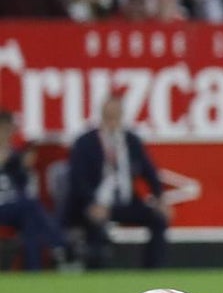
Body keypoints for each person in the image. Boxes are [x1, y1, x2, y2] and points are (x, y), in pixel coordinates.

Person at [62, 93, 170, 269]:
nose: (112, 120)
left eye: (116, 115)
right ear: (102, 115)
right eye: (108, 115)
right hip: (96, 202)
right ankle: (95, 268)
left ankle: (153, 270)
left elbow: (149, 172)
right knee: (95, 221)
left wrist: (160, 197)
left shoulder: (131, 141)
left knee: (158, 218)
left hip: (125, 201)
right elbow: (77, 180)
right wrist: (91, 203)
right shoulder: (85, 143)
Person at [0, 110, 69, 270]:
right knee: (31, 206)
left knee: (30, 219)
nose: (6, 134)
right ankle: (60, 245)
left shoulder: (14, 155)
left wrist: (23, 167)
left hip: (12, 206)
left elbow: (21, 187)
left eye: (9, 130)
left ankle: (34, 270)